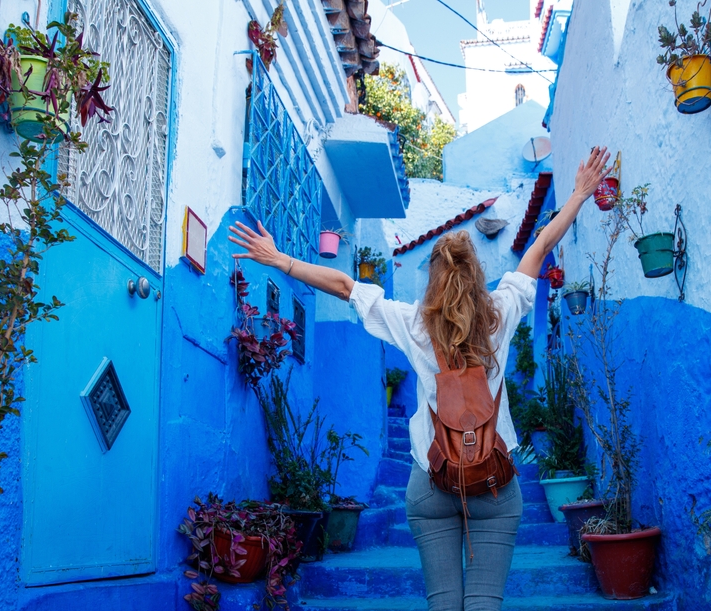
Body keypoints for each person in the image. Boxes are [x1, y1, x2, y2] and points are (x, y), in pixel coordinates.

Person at [228, 146, 611, 611]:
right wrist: (579, 193)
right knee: (484, 604)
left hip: (431, 480)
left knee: (443, 604)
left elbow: (346, 287)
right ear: (476, 278)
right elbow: (541, 245)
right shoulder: (501, 314)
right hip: (494, 480)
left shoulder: (413, 323)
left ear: (433, 280)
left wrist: (281, 261)